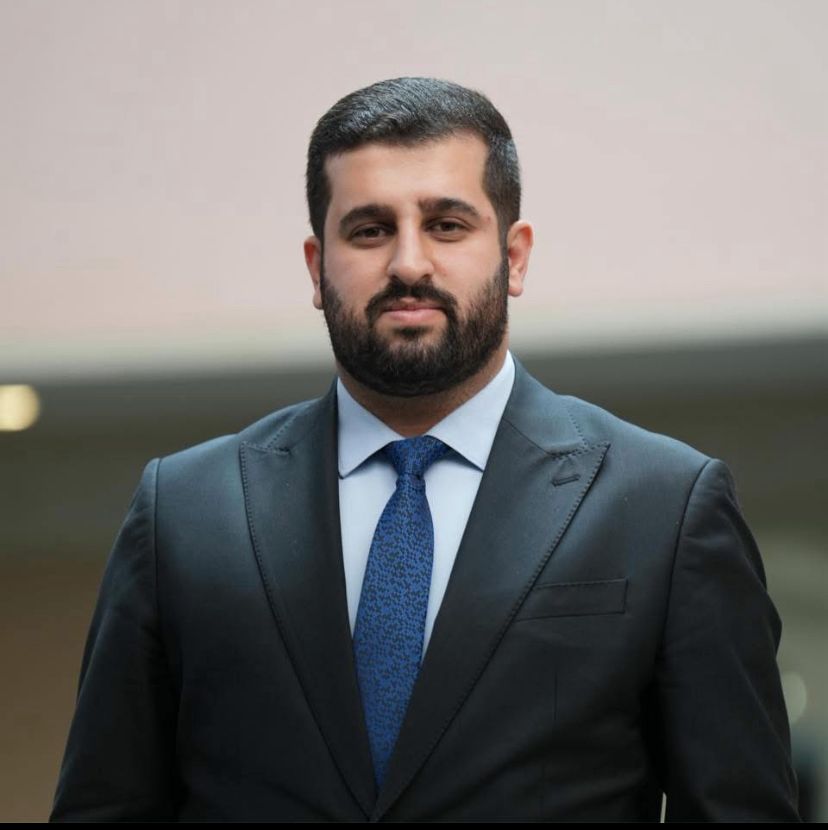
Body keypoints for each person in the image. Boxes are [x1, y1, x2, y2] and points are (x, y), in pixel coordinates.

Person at [50, 77, 800, 822]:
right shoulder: (185, 511)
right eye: (370, 230)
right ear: (316, 267)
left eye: (446, 225)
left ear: (515, 256)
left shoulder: (665, 506)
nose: (409, 263)